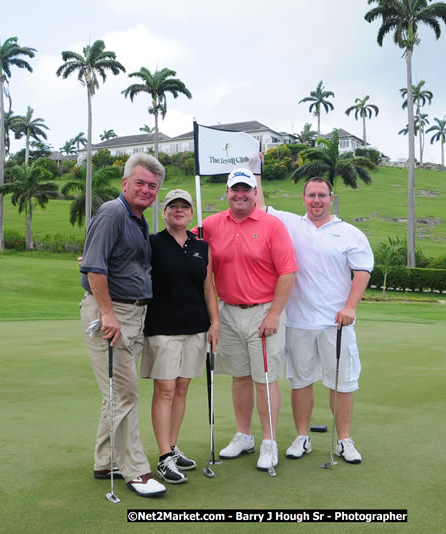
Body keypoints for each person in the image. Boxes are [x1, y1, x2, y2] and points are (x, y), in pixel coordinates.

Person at [255, 173, 373, 464]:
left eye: (322, 195)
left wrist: (351, 307)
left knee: (341, 384)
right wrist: (256, 170)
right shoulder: (292, 224)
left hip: (338, 322)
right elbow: (259, 206)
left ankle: (344, 440)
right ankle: (302, 437)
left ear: (331, 199)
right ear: (304, 198)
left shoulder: (350, 233)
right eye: (311, 195)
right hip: (299, 321)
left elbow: (362, 271)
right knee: (300, 382)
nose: (316, 200)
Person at [79, 153, 166, 498]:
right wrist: (109, 315)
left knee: (115, 394)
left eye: (152, 186)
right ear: (125, 183)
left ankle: (105, 460)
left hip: (133, 314)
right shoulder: (113, 213)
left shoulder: (138, 219)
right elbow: (94, 269)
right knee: (125, 393)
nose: (146, 190)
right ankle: (136, 471)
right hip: (111, 313)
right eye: (140, 183)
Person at [199, 168, 297, 472]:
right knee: (239, 376)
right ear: (227, 192)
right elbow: (179, 244)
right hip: (227, 312)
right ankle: (244, 435)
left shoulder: (272, 225)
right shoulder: (211, 225)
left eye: (246, 189)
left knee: (265, 379)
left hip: (263, 312)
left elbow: (288, 272)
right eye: (234, 189)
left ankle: (269, 441)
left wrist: (275, 313)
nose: (240, 194)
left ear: (255, 192)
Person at [141, 189, 220, 484]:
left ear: (191, 213)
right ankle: (163, 457)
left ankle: (172, 448)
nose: (178, 210)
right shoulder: (152, 243)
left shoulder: (202, 246)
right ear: (164, 212)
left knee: (183, 387)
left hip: (195, 327)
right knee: (165, 390)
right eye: (173, 206)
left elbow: (208, 287)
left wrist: (215, 322)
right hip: (162, 328)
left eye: (184, 206)